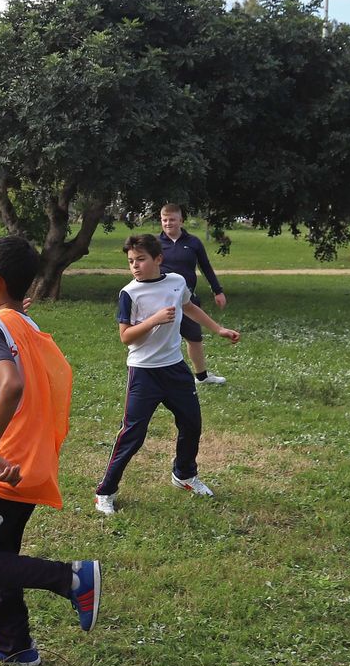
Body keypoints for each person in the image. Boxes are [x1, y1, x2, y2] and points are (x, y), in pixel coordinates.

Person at [0, 235, 100, 666]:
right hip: (32, 461)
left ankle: (70, 578)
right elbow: (34, 372)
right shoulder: (25, 324)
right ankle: (16, 647)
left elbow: (13, 382)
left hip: (6, 467)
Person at [94, 234, 241, 515]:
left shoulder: (176, 282)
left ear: (158, 259)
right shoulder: (129, 293)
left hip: (175, 369)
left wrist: (217, 329)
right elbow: (126, 337)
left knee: (191, 423)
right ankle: (105, 491)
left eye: (140, 259)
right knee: (132, 435)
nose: (135, 266)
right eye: (130, 261)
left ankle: (184, 475)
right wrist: (153, 320)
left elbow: (189, 306)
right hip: (144, 373)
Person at [158, 204, 229, 385]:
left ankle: (202, 376)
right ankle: (159, 376)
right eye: (164, 220)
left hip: (187, 299)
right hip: (162, 301)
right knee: (161, 340)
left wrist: (217, 291)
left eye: (172, 219)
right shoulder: (155, 244)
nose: (168, 223)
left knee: (194, 338)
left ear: (181, 221)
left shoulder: (194, 242)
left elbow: (205, 267)